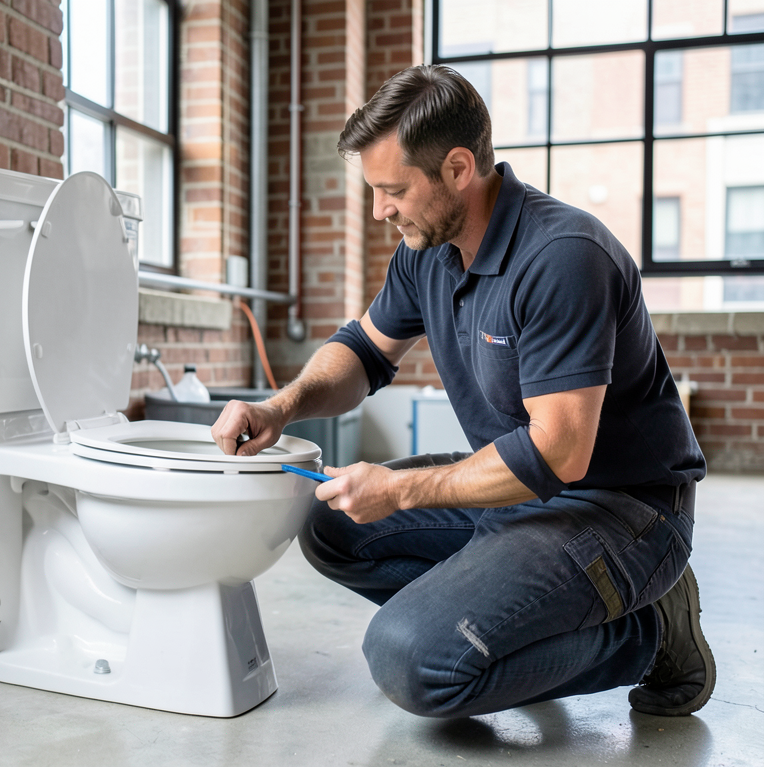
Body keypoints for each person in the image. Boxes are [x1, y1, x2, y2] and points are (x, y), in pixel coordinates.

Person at [211, 64, 714, 719]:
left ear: (456, 169)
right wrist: (279, 405)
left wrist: (401, 490)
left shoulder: (563, 257)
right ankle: (514, 622)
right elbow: (363, 351)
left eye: (392, 189)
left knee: (414, 663)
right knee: (330, 527)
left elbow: (560, 455)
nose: (379, 210)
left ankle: (650, 637)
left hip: (620, 513)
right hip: (522, 496)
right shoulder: (427, 249)